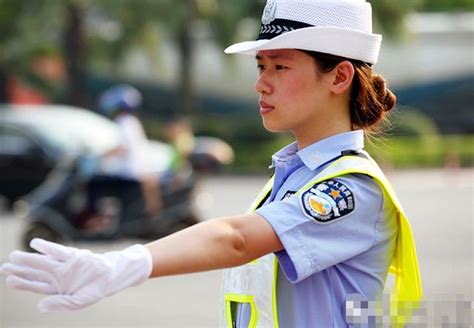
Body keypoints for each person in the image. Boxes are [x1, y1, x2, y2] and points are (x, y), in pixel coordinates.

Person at [0, 1, 422, 326]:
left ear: (340, 77)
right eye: (261, 66)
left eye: (280, 66)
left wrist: (125, 265)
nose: (261, 82)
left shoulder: (352, 188)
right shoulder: (294, 176)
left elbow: (236, 239)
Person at [94, 84, 162, 221]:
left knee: (94, 185)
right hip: (138, 170)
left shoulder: (124, 122)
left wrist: (101, 156)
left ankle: (96, 218)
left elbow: (122, 148)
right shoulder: (132, 121)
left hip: (129, 172)